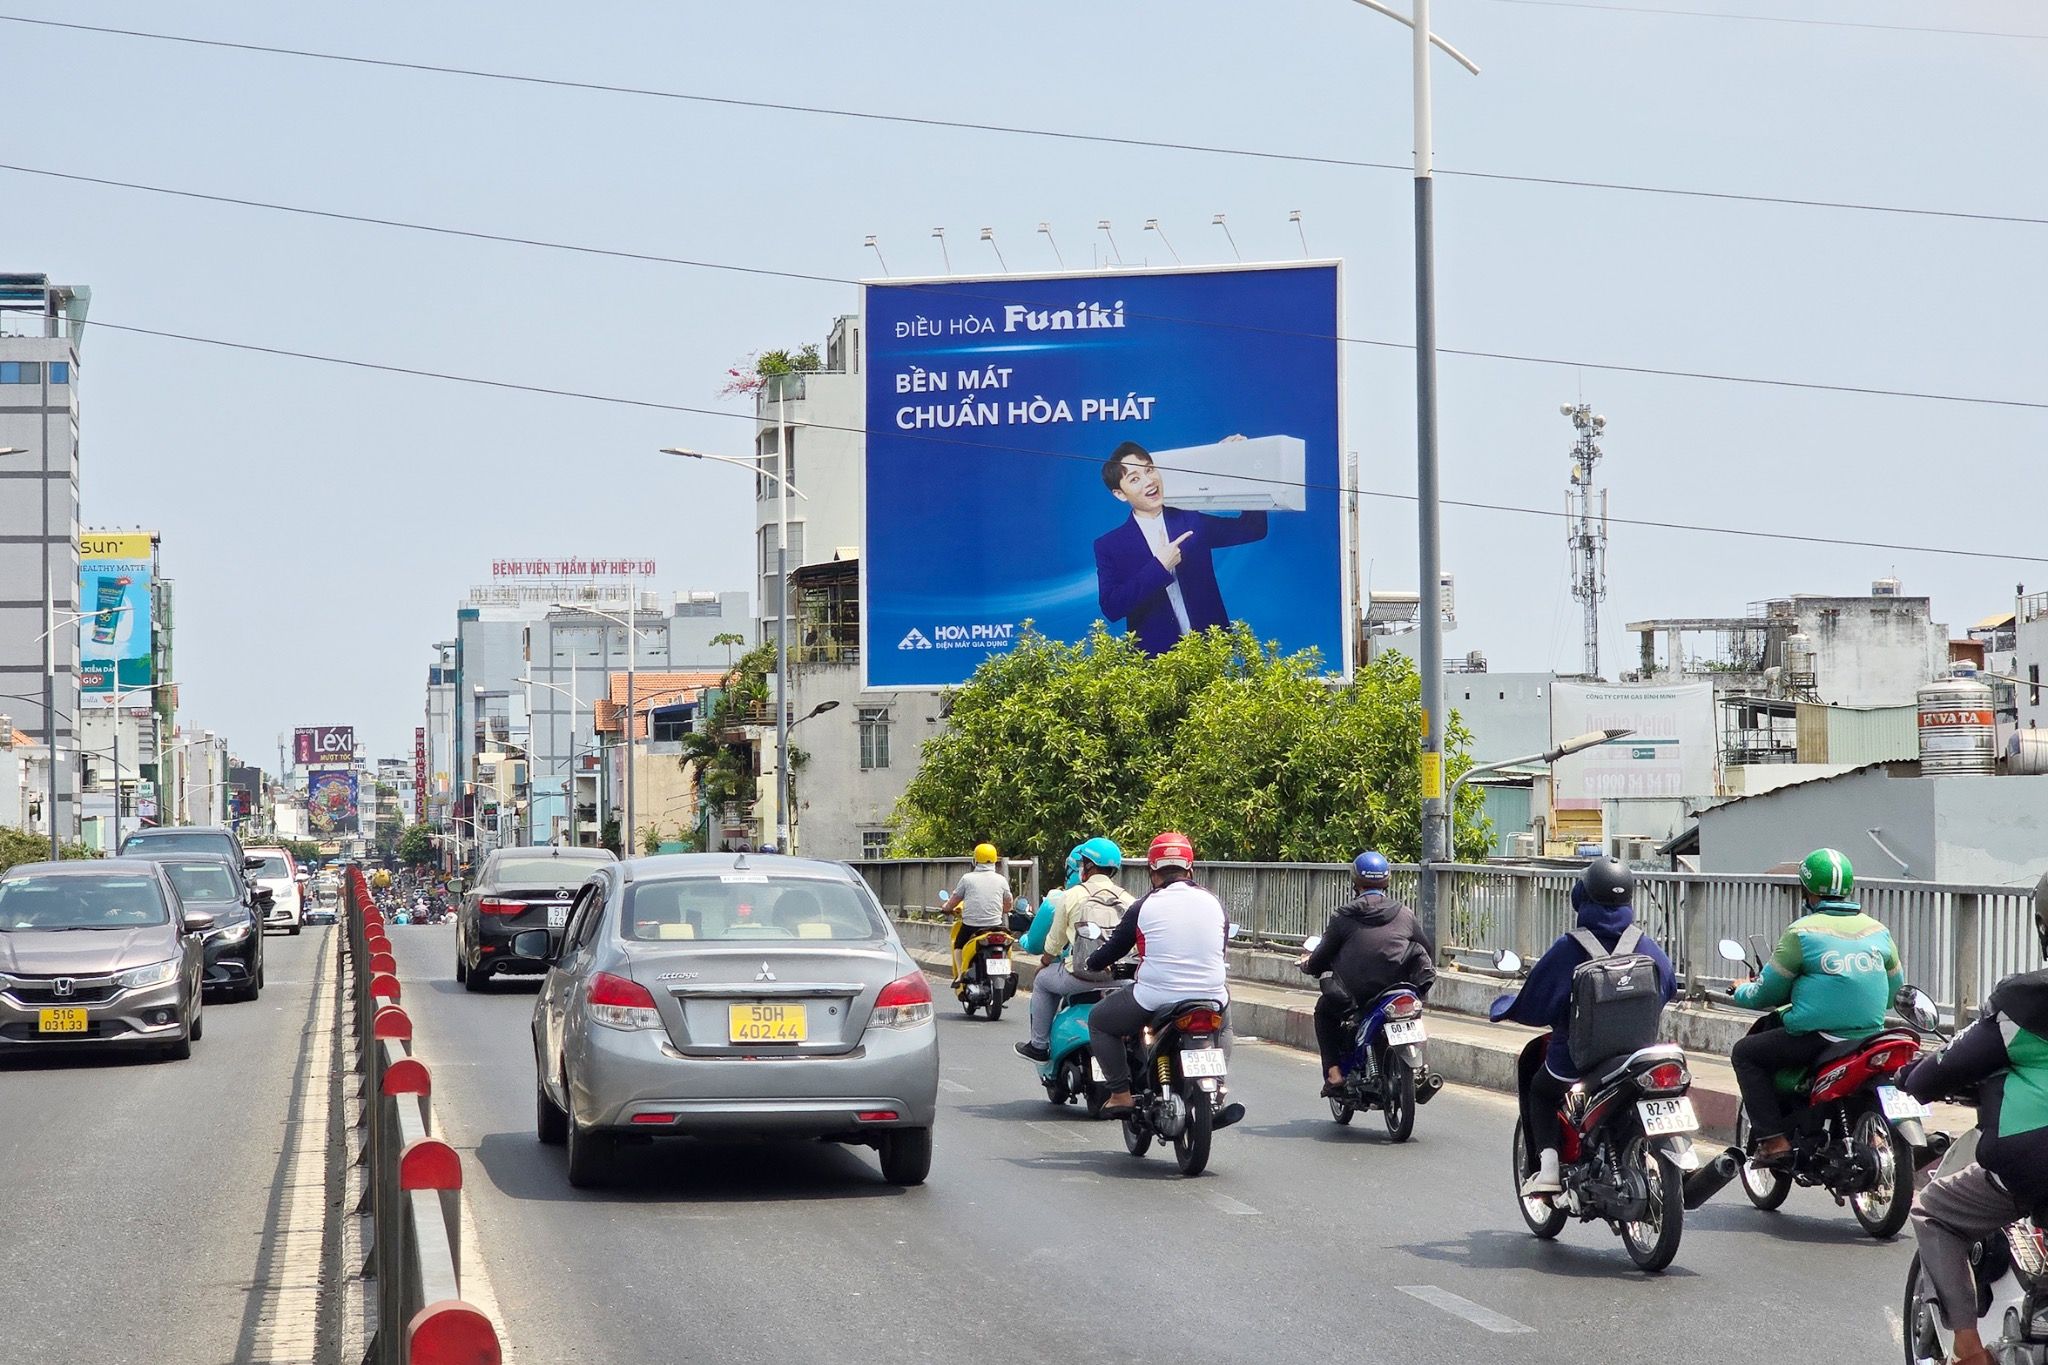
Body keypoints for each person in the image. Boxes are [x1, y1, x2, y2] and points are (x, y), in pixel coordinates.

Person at [1900, 872, 2048, 1365]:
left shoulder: (2024, 1001)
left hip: (2033, 1159)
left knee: (1934, 1211)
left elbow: (1943, 1070)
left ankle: (1967, 1347)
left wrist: (1911, 1077)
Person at [1493, 858, 1675, 1197]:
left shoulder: (1571, 948)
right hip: (1636, 1056)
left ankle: (1547, 1169)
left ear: (1582, 896)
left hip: (1577, 1060)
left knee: (1541, 1090)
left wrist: (1505, 1010)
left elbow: (1535, 1003)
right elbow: (1669, 988)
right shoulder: (1644, 944)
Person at [1729, 847, 1901, 1167]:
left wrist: (1741, 991)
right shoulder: (1879, 931)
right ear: (1849, 888)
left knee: (1745, 1053)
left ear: (1806, 890)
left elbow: (1765, 994)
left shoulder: (1801, 932)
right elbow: (1893, 993)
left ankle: (1773, 1141)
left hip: (1818, 1037)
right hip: (1869, 1037)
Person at [1083, 832, 1240, 1127]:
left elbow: (1113, 950)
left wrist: (1093, 963)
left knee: (1100, 1021)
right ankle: (1216, 1087)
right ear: (1190, 869)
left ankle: (1120, 1093)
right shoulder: (1214, 903)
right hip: (1211, 994)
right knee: (1227, 1023)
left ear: (1152, 871)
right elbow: (1219, 950)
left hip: (1155, 996)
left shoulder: (1143, 907)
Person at [1092, 440, 1268, 656]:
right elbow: (1112, 607)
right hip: (1154, 663)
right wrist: (1159, 567)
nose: (1149, 481)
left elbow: (1253, 529)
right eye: (1135, 479)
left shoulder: (1191, 521)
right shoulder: (1110, 545)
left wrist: (1242, 463)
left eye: (1150, 470)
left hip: (1210, 655)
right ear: (1120, 493)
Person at [1298, 851, 1437, 1096]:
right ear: (1387, 880)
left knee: (1324, 1010)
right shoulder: (1405, 913)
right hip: (1400, 990)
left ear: (1355, 882)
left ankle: (1334, 1074)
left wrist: (1308, 965)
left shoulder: (1343, 916)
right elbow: (1427, 948)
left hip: (1358, 995)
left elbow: (1321, 957)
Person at [1016, 838, 1133, 1063]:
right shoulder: (1128, 899)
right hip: (1120, 979)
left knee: (1042, 981)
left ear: (1087, 865)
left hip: (1079, 976)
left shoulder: (1071, 895)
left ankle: (1039, 1045)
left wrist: (1045, 961)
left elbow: (1055, 940)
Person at [942, 842, 1014, 979]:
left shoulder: (967, 879)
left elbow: (954, 900)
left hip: (971, 926)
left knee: (958, 944)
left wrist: (946, 908)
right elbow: (1008, 903)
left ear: (975, 861)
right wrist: (1005, 909)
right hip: (995, 926)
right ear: (994, 860)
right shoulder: (1001, 880)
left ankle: (960, 975)